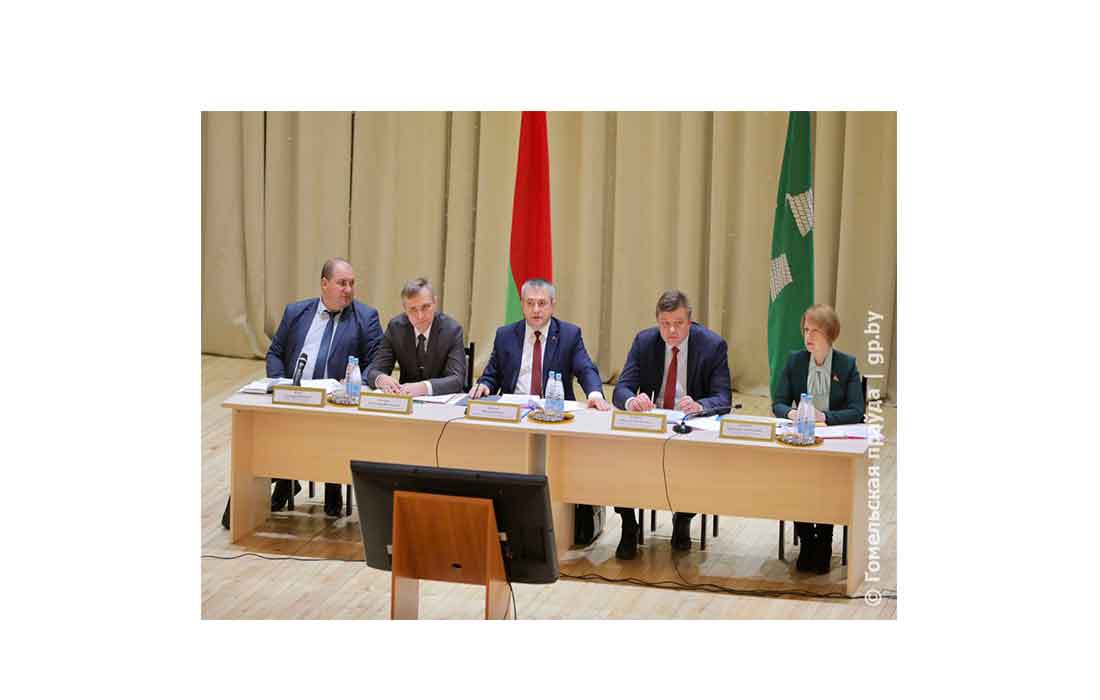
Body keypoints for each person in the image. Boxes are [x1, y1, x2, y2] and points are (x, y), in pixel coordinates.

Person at [611, 290, 732, 560]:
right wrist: (632, 401)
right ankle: (628, 525)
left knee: (694, 460)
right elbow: (621, 389)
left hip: (690, 428)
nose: (672, 331)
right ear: (658, 321)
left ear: (690, 320)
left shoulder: (712, 345)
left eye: (678, 323)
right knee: (621, 456)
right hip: (653, 424)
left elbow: (724, 398)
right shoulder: (644, 342)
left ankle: (683, 518)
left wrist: (700, 405)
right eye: (665, 324)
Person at [265, 257, 383, 517]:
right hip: (295, 397)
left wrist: (357, 382)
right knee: (268, 427)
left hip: (337, 402)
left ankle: (331, 481)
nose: (348, 289)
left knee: (328, 424)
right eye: (342, 283)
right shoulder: (296, 312)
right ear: (324, 284)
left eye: (352, 283)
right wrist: (280, 382)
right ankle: (284, 477)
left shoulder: (366, 317)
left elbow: (377, 361)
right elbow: (275, 353)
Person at [772, 303, 864, 574]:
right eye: (805, 330)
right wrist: (793, 413)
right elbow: (778, 403)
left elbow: (857, 410)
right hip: (801, 439)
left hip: (833, 440)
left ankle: (824, 540)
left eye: (815, 331)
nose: (808, 336)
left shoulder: (846, 365)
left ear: (830, 334)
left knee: (829, 480)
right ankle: (806, 538)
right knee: (797, 480)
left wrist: (823, 417)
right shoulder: (795, 361)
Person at [469, 278, 610, 410]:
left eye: (542, 303)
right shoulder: (505, 335)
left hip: (554, 411)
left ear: (552, 305)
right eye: (530, 303)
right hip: (513, 411)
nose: (536, 309)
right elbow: (492, 375)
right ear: (522, 304)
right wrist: (485, 385)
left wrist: (595, 395)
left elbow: (586, 369)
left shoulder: (569, 335)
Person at [366, 277, 467, 397]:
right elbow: (374, 371)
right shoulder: (396, 328)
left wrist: (424, 387)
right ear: (405, 309)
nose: (420, 316)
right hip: (406, 400)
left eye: (425, 307)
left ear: (435, 303)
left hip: (441, 400)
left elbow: (457, 380)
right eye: (413, 309)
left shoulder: (452, 330)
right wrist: (380, 379)